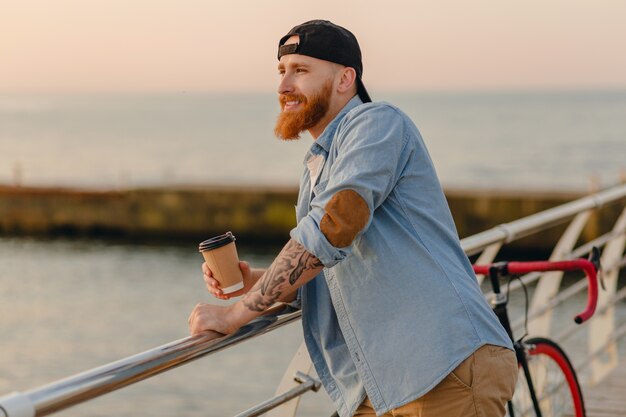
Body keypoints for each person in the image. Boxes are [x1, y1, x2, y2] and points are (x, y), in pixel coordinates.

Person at [188, 19, 518, 417]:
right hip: (380, 388)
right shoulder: (319, 165)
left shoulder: (377, 123)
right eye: (281, 71)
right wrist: (253, 282)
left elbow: (334, 226)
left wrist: (236, 316)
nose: (283, 86)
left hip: (442, 371)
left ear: (346, 79)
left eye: (301, 70)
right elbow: (331, 271)